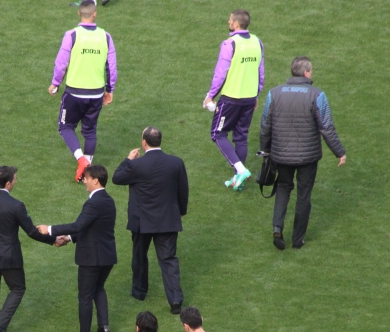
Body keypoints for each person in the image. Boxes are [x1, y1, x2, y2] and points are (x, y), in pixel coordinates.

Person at [0, 166, 64, 332]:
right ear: (8, 183)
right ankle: (0, 326)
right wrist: (53, 240)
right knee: (18, 288)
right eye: (15, 179)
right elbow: (32, 232)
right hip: (9, 258)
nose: (16, 182)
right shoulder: (16, 206)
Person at [259, 56, 347, 250]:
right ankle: (298, 239)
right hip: (308, 157)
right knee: (304, 195)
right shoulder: (317, 95)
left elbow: (265, 124)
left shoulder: (274, 93)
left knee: (283, 188)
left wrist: (265, 149)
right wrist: (339, 152)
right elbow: (326, 127)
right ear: (306, 72)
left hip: (281, 154)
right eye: (311, 70)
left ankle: (277, 227)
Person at [36, 165, 117, 332]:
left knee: (85, 296)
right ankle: (103, 327)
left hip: (91, 258)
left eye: (86, 178)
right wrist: (70, 238)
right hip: (107, 256)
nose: (84, 181)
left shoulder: (93, 203)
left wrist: (49, 229)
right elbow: (92, 228)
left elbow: (78, 225)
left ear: (96, 180)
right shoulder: (109, 201)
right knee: (99, 288)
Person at [112, 127, 188, 314]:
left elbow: (116, 178)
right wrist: (181, 211)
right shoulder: (176, 163)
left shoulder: (136, 165)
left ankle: (139, 292)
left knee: (139, 256)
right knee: (169, 260)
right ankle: (175, 299)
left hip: (141, 221)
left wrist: (128, 159)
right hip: (167, 220)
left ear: (144, 142)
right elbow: (183, 190)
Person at [49, 0, 117, 182]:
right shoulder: (106, 37)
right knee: (90, 131)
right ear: (95, 14)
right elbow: (111, 67)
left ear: (79, 13)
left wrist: (55, 83)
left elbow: (61, 63)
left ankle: (82, 161)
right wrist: (109, 90)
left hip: (74, 93)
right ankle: (88, 171)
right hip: (96, 93)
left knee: (65, 127)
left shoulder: (71, 35)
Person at [203, 9, 264, 191]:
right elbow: (260, 72)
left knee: (218, 134)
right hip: (249, 98)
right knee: (241, 136)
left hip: (231, 98)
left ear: (236, 24)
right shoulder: (257, 42)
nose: (228, 22)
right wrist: (256, 94)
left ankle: (241, 170)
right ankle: (238, 178)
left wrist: (210, 95)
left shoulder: (230, 44)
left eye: (230, 20)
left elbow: (220, 73)